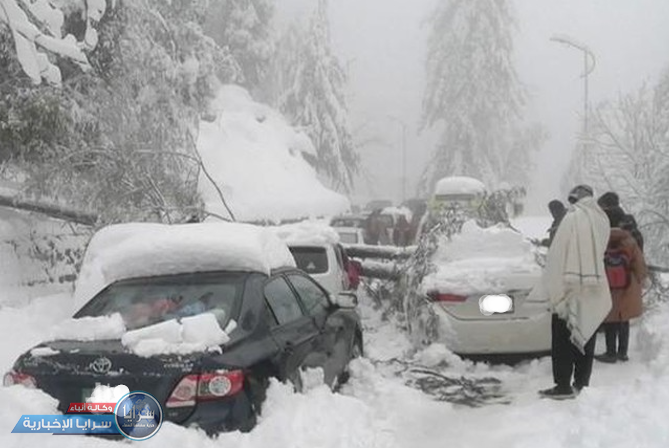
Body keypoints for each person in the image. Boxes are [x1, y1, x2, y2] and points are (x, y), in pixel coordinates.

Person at [538, 185, 612, 399]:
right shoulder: (601, 217)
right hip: (593, 285)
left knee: (562, 337)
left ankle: (562, 385)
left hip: (569, 286)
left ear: (576, 198)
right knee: (586, 333)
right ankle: (582, 383)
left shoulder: (574, 218)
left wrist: (554, 280)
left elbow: (560, 252)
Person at [596, 207, 647, 363]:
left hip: (608, 286)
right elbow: (640, 267)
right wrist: (639, 279)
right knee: (623, 319)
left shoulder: (602, 240)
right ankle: (622, 353)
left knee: (610, 319)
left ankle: (610, 353)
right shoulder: (630, 241)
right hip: (627, 286)